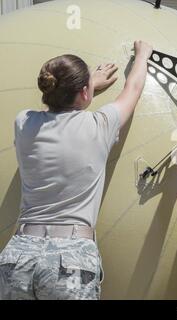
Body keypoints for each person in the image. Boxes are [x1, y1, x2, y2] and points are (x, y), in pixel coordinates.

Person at [0, 40, 153, 300]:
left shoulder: (24, 122)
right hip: (70, 258)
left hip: (19, 255)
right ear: (83, 93)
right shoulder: (100, 125)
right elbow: (133, 88)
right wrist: (142, 56)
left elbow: (59, 111)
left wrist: (86, 85)